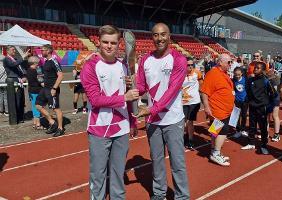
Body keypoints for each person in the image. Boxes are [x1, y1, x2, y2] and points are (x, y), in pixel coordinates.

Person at [80, 25, 139, 200]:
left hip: (121, 128)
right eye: (105, 42)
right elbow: (95, 100)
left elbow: (131, 97)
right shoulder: (90, 67)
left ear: (119, 44)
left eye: (113, 43)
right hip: (100, 129)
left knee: (118, 174)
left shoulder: (124, 66)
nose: (109, 46)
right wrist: (124, 97)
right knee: (98, 176)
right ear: (98, 42)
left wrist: (133, 122)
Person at [136, 23, 190, 200]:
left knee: (177, 162)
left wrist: (151, 109)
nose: (159, 38)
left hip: (173, 120)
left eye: (163, 34)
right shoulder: (145, 60)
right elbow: (142, 87)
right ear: (152, 37)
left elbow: (172, 91)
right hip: (153, 121)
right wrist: (132, 86)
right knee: (157, 161)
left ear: (169, 35)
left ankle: (182, 196)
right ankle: (159, 194)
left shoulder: (179, 59)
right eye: (155, 35)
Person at [201, 54, 235, 166]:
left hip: (225, 109)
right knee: (223, 131)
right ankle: (216, 153)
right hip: (218, 110)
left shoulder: (223, 73)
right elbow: (205, 92)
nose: (230, 64)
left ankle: (213, 151)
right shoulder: (213, 73)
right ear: (220, 62)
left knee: (214, 131)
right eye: (228, 62)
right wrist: (206, 107)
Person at [242, 62, 276, 155]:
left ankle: (264, 145)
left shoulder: (266, 81)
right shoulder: (250, 80)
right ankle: (251, 143)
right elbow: (248, 92)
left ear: (263, 70)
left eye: (258, 68)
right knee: (252, 126)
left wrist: (269, 106)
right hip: (252, 107)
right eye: (255, 67)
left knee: (263, 127)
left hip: (262, 107)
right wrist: (248, 102)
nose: (255, 69)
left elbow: (274, 94)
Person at [35, 44, 64, 137]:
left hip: (52, 88)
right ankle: (52, 122)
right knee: (38, 105)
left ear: (48, 51)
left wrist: (54, 88)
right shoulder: (46, 62)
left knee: (56, 108)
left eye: (43, 50)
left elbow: (60, 75)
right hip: (45, 88)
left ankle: (60, 128)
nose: (41, 52)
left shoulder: (54, 61)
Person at [3, 46, 30, 123]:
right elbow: (13, 65)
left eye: (14, 49)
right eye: (13, 49)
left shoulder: (16, 59)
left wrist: (24, 76)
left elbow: (21, 68)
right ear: (7, 51)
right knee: (16, 100)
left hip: (20, 80)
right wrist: (23, 57)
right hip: (13, 80)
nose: (14, 51)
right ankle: (16, 118)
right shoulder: (6, 59)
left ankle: (21, 116)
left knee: (21, 99)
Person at [182, 57, 203, 150]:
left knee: (189, 121)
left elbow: (202, 85)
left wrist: (203, 98)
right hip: (182, 102)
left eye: (192, 65)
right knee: (183, 122)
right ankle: (186, 136)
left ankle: (190, 140)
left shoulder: (197, 73)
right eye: (188, 65)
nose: (190, 66)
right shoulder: (180, 74)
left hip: (194, 101)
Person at [26, 56, 44, 129]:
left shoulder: (28, 70)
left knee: (34, 106)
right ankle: (38, 124)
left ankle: (35, 123)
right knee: (38, 107)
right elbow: (40, 81)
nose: (38, 64)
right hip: (36, 91)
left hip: (31, 90)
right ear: (35, 63)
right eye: (37, 62)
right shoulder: (35, 70)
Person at [232, 67, 248, 138]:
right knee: (236, 116)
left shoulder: (245, 80)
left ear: (241, 73)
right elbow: (232, 90)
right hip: (237, 101)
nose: (237, 76)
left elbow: (248, 89)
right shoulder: (233, 81)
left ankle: (243, 129)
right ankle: (238, 130)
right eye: (236, 75)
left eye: (238, 74)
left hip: (245, 100)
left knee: (244, 115)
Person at [266, 70, 281, 142]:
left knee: (274, 116)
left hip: (274, 99)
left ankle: (277, 134)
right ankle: (265, 133)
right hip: (268, 99)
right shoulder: (267, 80)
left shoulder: (274, 80)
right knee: (266, 116)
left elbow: (274, 92)